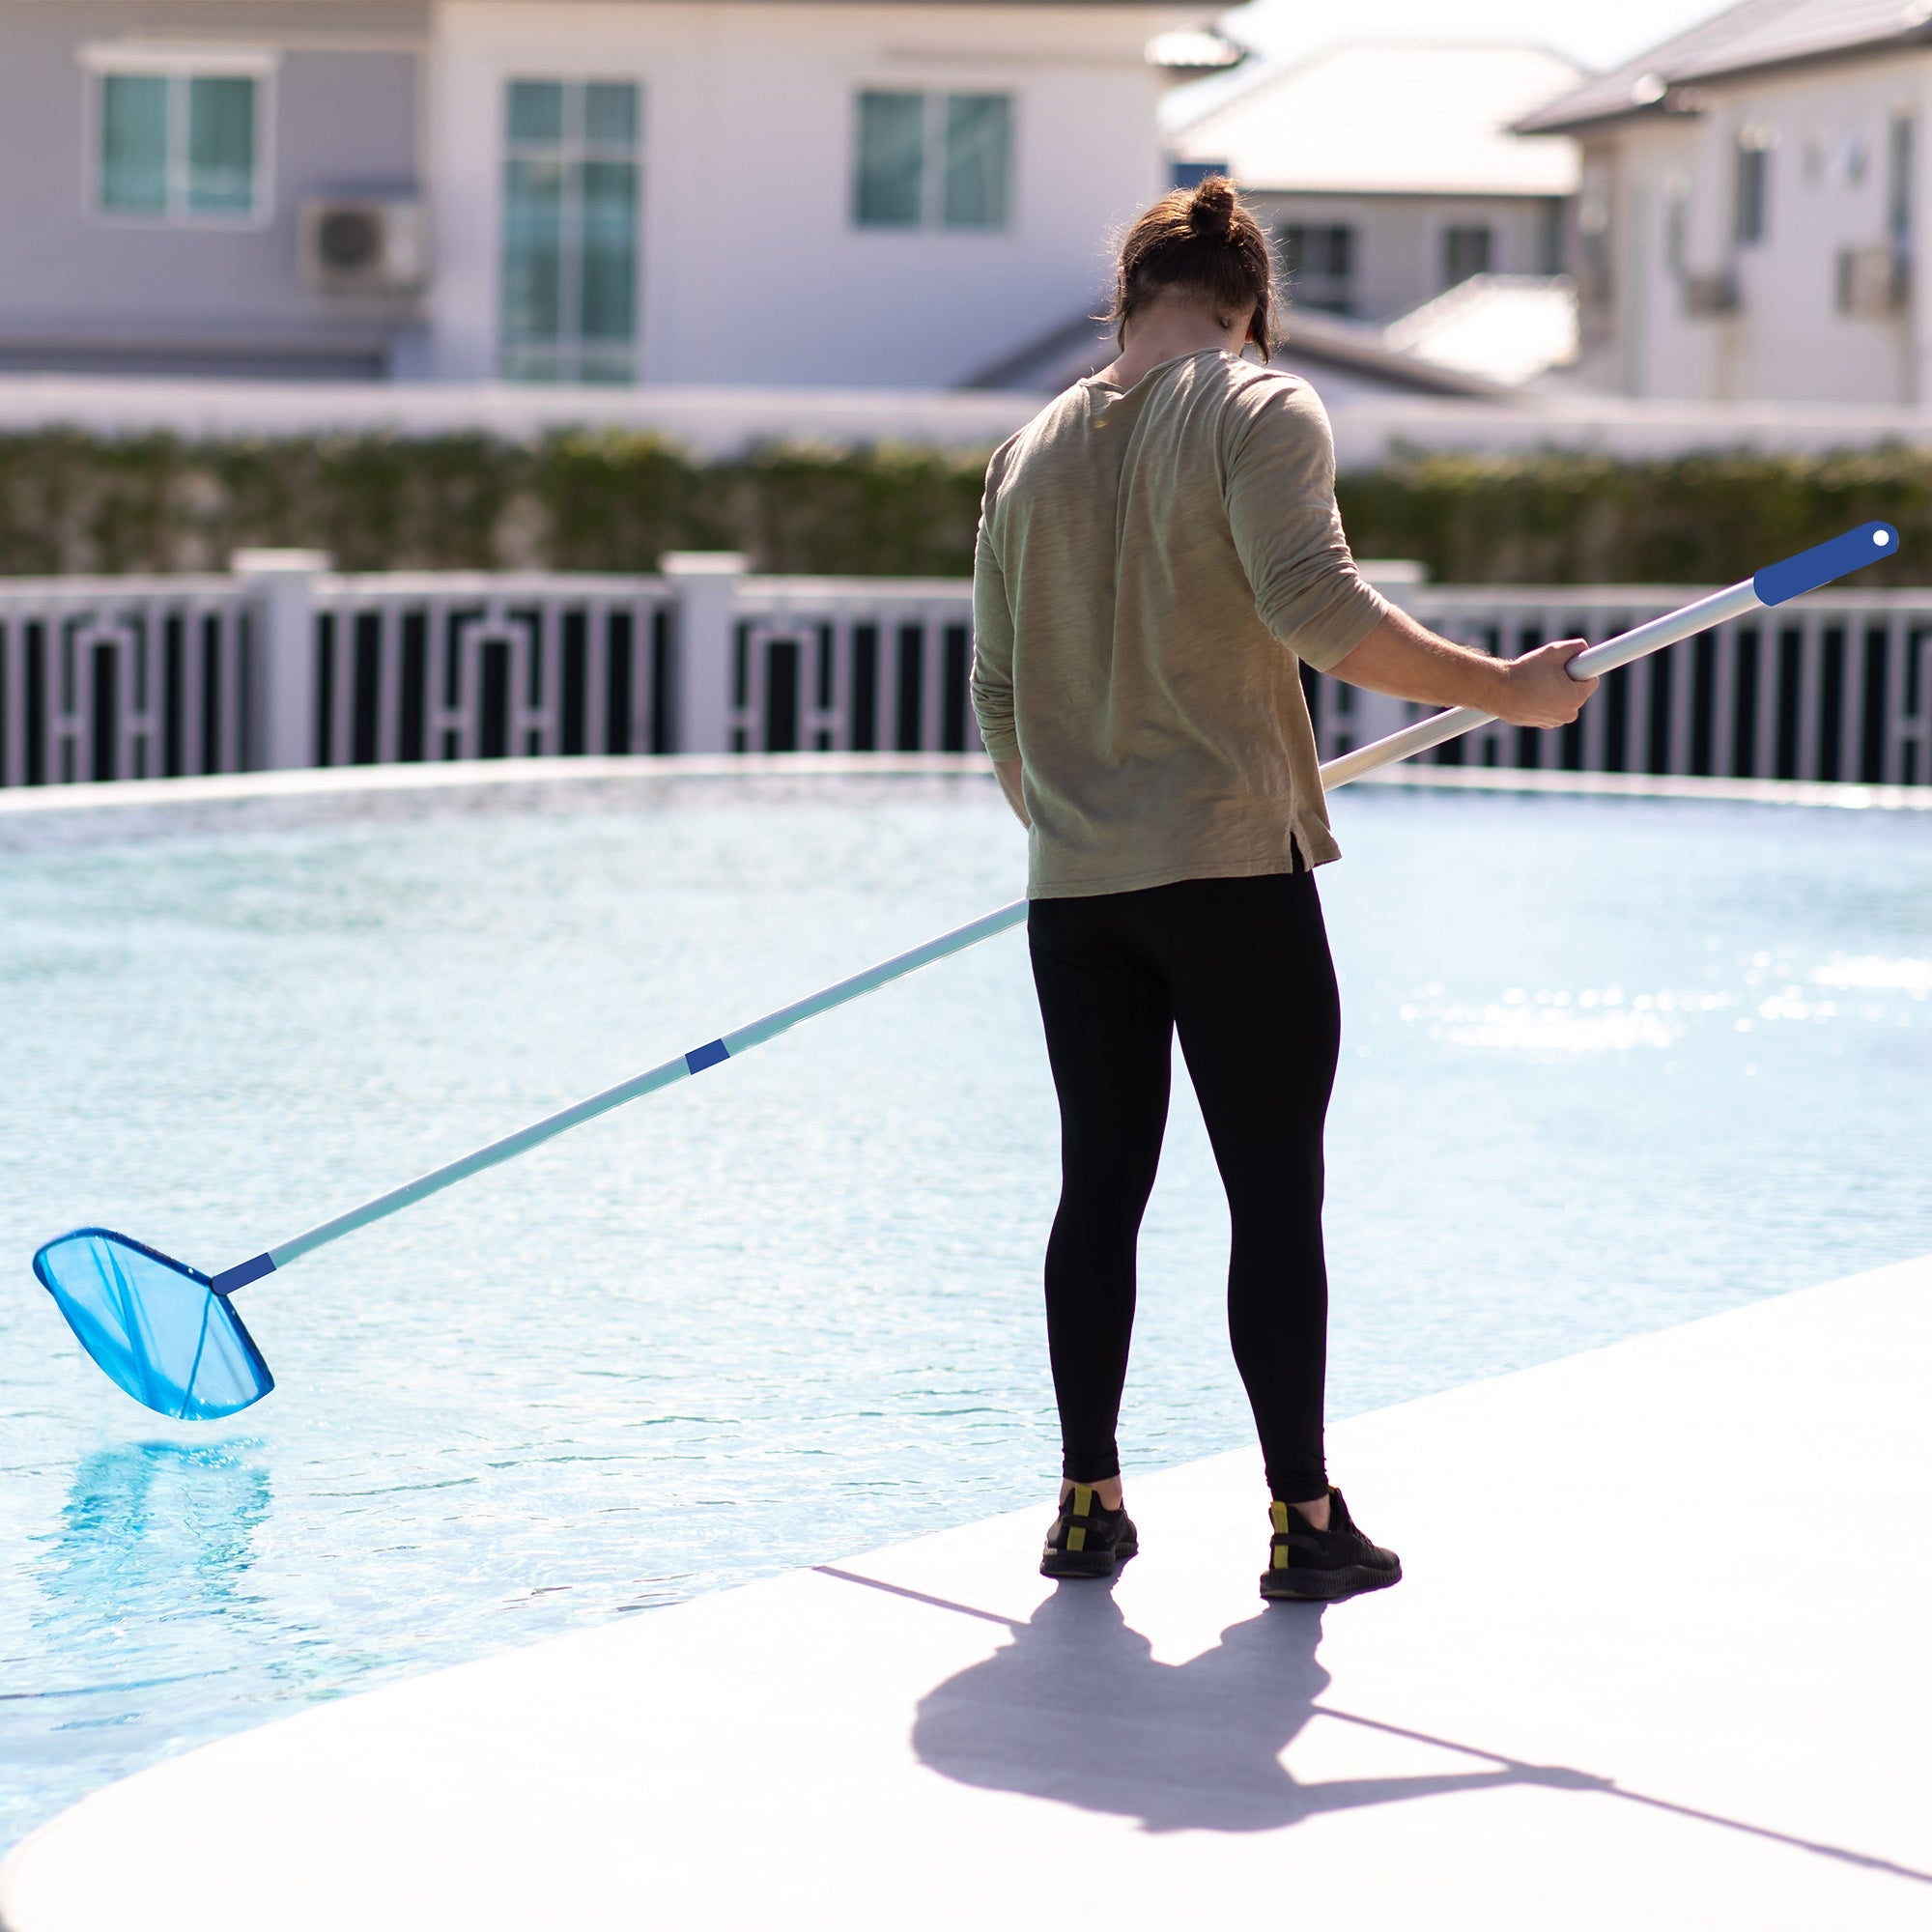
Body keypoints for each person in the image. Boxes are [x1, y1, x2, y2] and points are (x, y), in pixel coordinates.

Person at [969, 177, 1596, 1603]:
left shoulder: (1024, 452)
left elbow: (998, 696)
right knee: (1271, 1200)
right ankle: (1304, 1524)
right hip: (1231, 872)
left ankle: (1086, 1509)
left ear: (1125, 300)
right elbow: (1315, 608)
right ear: (1249, 307)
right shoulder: (1261, 406)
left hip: (1078, 890)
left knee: (1097, 1191)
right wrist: (1506, 691)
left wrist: (1075, 828)